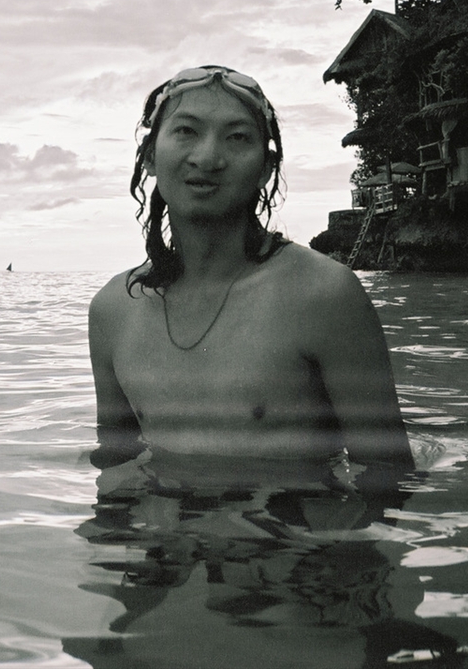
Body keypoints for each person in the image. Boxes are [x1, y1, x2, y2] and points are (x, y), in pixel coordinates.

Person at [88, 65, 414, 493]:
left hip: (291, 546)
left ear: (266, 168)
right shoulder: (114, 310)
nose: (207, 157)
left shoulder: (323, 295)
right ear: (149, 156)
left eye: (238, 137)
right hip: (167, 554)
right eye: (186, 131)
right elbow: (114, 466)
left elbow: (387, 475)